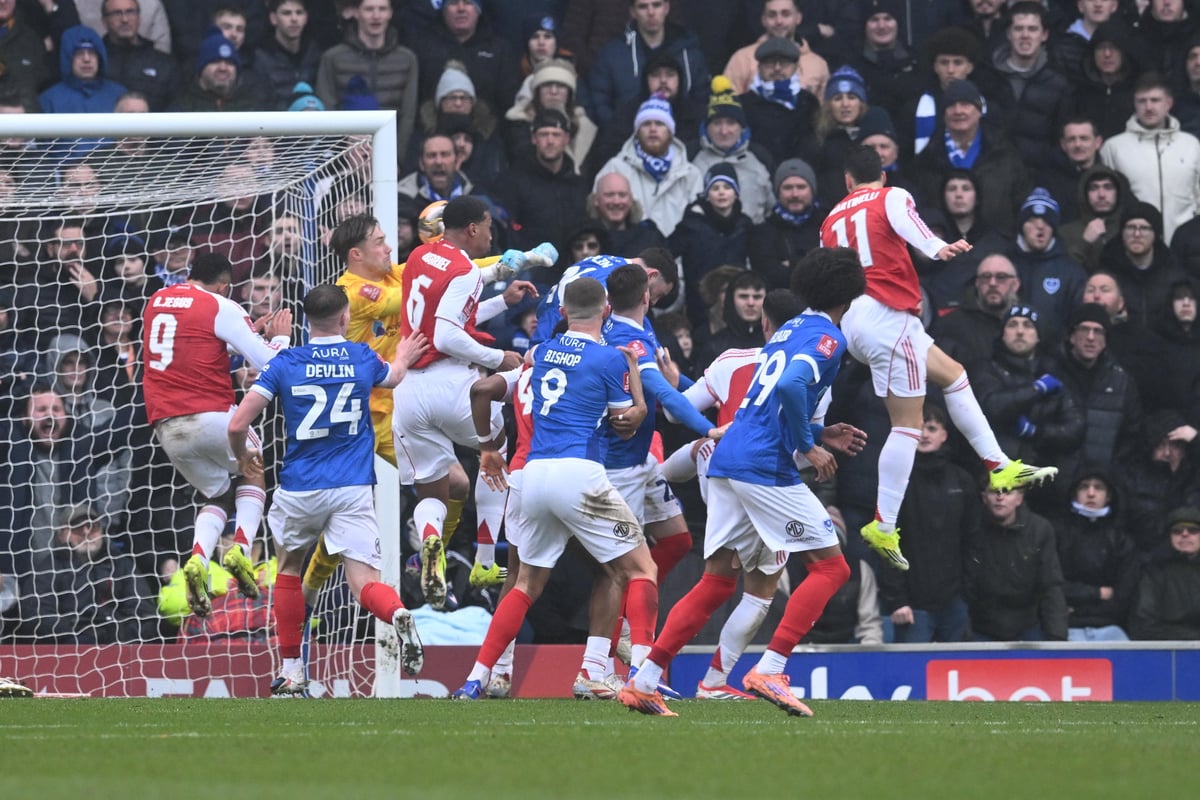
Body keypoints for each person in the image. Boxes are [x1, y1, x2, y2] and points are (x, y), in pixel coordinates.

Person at [622, 247, 868, 717]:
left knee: (717, 581)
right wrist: (808, 444)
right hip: (764, 466)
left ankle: (645, 679)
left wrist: (822, 432)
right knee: (832, 569)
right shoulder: (828, 338)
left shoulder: (790, 330)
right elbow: (793, 388)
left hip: (728, 459)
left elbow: (762, 407)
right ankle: (771, 668)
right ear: (852, 292)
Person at [821, 145, 1057, 571]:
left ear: (847, 180)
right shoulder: (889, 196)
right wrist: (938, 246)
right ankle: (884, 523)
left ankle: (999, 465)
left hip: (858, 317)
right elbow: (910, 225)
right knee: (908, 425)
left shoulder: (831, 219)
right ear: (883, 176)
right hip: (887, 314)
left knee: (954, 375)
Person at [451, 277, 659, 705]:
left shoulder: (539, 353)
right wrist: (635, 378)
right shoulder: (608, 358)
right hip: (577, 472)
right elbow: (627, 422)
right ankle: (639, 676)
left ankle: (478, 677)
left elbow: (485, 389)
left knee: (524, 582)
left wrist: (487, 447)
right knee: (640, 570)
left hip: (532, 476)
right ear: (605, 312)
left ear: (562, 313)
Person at [227, 284, 428, 694]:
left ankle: (292, 668)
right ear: (344, 317)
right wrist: (403, 355)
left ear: (306, 320)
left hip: (300, 486)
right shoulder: (360, 357)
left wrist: (241, 457)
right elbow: (393, 377)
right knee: (364, 581)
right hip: (352, 487)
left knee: (288, 570)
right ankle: (398, 613)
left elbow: (236, 423)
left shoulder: (286, 362)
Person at [394, 196, 540, 608]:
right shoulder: (464, 271)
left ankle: (430, 542)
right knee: (494, 452)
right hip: (450, 381)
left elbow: (444, 317)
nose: (493, 234)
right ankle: (484, 558)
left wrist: (502, 302)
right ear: (473, 229)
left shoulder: (421, 255)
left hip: (409, 392)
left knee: (431, 495)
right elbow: (445, 336)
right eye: (489, 225)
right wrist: (498, 358)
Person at [141, 252, 293, 618]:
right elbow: (269, 361)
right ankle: (241, 545)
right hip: (211, 415)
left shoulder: (157, 300)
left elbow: (195, 347)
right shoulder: (222, 306)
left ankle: (198, 557)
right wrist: (281, 337)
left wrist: (242, 336)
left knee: (221, 495)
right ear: (225, 285)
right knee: (253, 470)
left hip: (166, 425)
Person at [878, 406, 978, 643]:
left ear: (944, 434)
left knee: (954, 675)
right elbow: (884, 541)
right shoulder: (895, 480)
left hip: (955, 603)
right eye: (919, 427)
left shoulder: (963, 480)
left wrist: (966, 594)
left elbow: (973, 539)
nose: (924, 434)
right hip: (911, 606)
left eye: (931, 428)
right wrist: (897, 600)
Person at [27, 503, 156, 644]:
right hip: (70, 647)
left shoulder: (121, 564)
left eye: (93, 526)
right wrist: (78, 629)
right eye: (77, 526)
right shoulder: (48, 568)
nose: (86, 531)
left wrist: (116, 632)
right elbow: (37, 615)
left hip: (119, 644)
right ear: (63, 535)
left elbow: (143, 610)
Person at [1099, 72, 1200, 244]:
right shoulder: (1114, 147)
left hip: (1185, 246)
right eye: (1142, 101)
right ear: (1134, 104)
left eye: (1155, 100)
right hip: (1135, 244)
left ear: (1168, 103)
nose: (1148, 107)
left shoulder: (1191, 144)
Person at [966, 482, 1069, 641]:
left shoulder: (1040, 530)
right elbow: (965, 585)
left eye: (1007, 491)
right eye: (994, 491)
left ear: (1019, 499)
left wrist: (1057, 636)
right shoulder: (971, 529)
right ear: (984, 497)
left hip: (1027, 626)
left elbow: (1051, 584)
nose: (1000, 497)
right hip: (980, 627)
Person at [315, 0, 419, 157]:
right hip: (344, 158)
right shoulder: (333, 57)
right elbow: (327, 110)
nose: (376, 16)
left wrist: (396, 158)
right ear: (356, 12)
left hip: (391, 153)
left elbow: (408, 115)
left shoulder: (407, 59)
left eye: (382, 9)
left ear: (390, 13)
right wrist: (345, 155)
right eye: (369, 9)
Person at [593, 93, 702, 238]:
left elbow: (699, 225)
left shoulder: (690, 174)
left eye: (660, 123)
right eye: (646, 124)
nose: (653, 129)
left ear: (670, 131)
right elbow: (597, 213)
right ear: (637, 131)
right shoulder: (615, 168)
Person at [1052, 464, 1138, 641]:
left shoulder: (1122, 541)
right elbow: (1054, 586)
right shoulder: (1056, 535)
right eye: (1084, 487)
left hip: (1111, 628)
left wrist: (1079, 609)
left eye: (1098, 487)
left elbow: (1123, 597)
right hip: (1066, 628)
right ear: (1075, 493)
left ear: (1108, 496)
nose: (1091, 493)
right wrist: (1097, 593)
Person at [748, 158, 824, 291]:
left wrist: (791, 264)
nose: (794, 194)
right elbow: (768, 275)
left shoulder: (826, 227)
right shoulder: (763, 232)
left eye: (801, 187)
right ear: (778, 192)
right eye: (788, 188)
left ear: (812, 190)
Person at [1129, 506, 1200, 640]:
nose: (1185, 534)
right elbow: (1143, 625)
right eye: (1177, 531)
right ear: (1169, 536)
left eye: (1193, 530)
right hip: (1166, 649)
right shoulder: (1154, 572)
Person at [100, 1, 176, 111]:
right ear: (104, 22)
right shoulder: (96, 62)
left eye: (130, 12)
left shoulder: (164, 64)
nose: (125, 20)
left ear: (139, 18)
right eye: (116, 13)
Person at [38, 25, 129, 113]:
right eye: (79, 53)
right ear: (68, 58)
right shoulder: (49, 100)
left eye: (92, 53)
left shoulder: (120, 96)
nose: (86, 59)